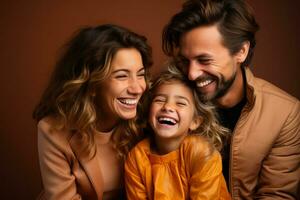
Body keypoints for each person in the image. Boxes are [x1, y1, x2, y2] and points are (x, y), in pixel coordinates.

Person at [162, 0, 300, 199]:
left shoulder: (285, 113)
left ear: (241, 52)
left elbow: (276, 195)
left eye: (204, 60)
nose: (191, 74)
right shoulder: (170, 102)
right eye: (185, 61)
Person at [32, 24, 152, 200]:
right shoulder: (52, 130)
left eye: (140, 74)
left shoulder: (147, 118)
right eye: (121, 76)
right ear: (91, 84)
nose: (137, 88)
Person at [125, 68, 231, 199]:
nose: (167, 107)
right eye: (159, 100)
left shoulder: (201, 153)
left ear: (195, 121)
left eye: (180, 103)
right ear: (148, 113)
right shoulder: (136, 158)